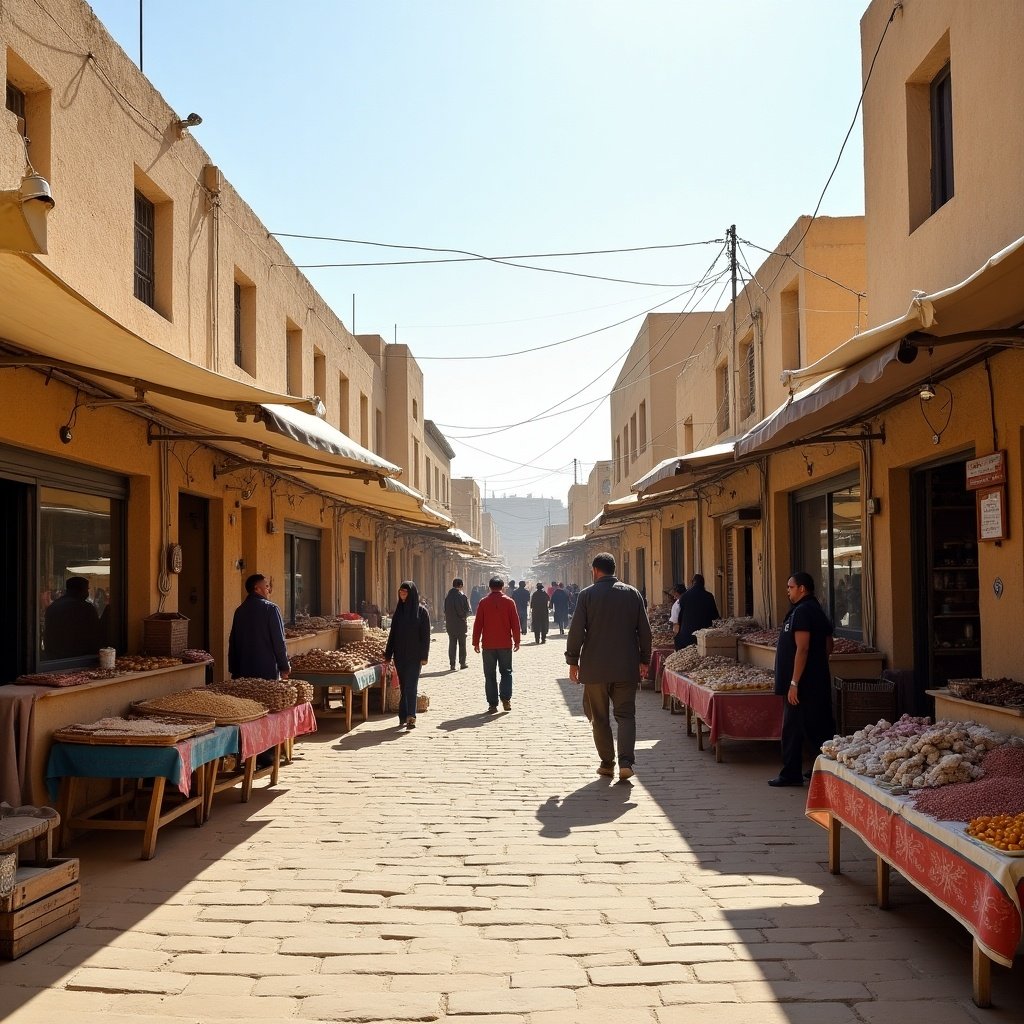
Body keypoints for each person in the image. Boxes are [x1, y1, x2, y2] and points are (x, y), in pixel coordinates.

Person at [565, 552, 652, 782]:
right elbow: (644, 630)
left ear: (595, 570)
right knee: (626, 715)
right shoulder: (632, 594)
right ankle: (626, 763)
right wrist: (645, 660)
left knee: (600, 718)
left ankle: (607, 763)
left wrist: (573, 661)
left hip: (595, 669)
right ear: (614, 570)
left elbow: (576, 631)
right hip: (626, 667)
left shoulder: (587, 595)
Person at [769, 571, 835, 787]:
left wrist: (794, 683)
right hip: (815, 681)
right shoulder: (814, 610)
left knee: (793, 728)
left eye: (790, 587)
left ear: (802, 588)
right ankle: (824, 769)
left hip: (802, 685)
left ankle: (791, 774)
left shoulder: (804, 611)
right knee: (817, 726)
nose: (787, 591)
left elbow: (803, 648)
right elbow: (827, 646)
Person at [383, 580, 431, 729]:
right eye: (400, 592)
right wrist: (388, 654)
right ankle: (403, 715)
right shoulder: (399, 612)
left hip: (415, 656)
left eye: (405, 592)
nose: (402, 595)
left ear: (411, 594)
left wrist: (424, 656)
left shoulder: (421, 612)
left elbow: (425, 636)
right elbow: (393, 634)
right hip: (400, 656)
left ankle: (411, 715)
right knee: (404, 687)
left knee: (411, 686)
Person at [472, 576, 521, 713]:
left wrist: (476, 642)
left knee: (489, 674)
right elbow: (515, 624)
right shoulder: (509, 602)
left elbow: (478, 624)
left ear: (489, 587)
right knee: (506, 672)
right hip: (505, 644)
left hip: (488, 645)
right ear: (503, 587)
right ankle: (506, 699)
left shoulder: (483, 602)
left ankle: (492, 704)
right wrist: (517, 641)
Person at [228, 573, 290, 680]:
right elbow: (279, 641)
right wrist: (284, 666)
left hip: (243, 672)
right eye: (266, 586)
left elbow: (233, 642)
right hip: (267, 671)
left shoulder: (239, 611)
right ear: (257, 588)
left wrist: (234, 670)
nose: (269, 590)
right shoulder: (271, 609)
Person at [43, 576, 101, 660]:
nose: (87, 593)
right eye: (87, 589)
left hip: (54, 659)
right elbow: (95, 635)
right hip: (80, 659)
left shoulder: (54, 606)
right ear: (81, 590)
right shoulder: (86, 608)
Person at [676, 573, 720, 648]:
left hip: (686, 635)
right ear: (703, 583)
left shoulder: (684, 596)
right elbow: (715, 616)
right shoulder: (708, 596)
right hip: (703, 636)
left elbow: (680, 616)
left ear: (692, 583)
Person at [443, 577, 471, 670]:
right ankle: (462, 663)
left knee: (452, 644)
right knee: (462, 644)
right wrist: (464, 617)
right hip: (460, 624)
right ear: (460, 585)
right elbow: (464, 610)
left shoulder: (448, 596)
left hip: (450, 624)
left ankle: (452, 664)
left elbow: (445, 610)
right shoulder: (461, 596)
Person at [667, 582, 686, 650]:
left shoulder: (677, 604)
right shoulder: (691, 602)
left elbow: (675, 623)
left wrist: (675, 635)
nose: (674, 597)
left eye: (676, 595)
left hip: (681, 634)